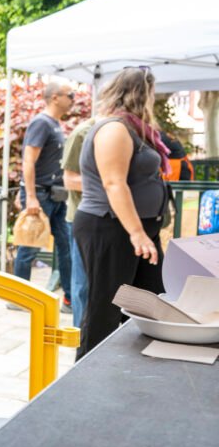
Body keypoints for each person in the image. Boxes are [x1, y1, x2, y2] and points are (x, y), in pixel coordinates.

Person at [73, 67, 168, 358]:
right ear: (142, 93)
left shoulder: (134, 129)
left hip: (134, 231)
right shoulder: (114, 128)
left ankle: (130, 366)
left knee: (149, 300)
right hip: (110, 227)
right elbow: (113, 183)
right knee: (105, 307)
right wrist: (137, 233)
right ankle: (86, 375)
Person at [12, 81, 75, 313]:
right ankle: (18, 298)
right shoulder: (41, 123)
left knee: (65, 246)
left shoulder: (56, 124)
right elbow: (28, 161)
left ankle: (69, 298)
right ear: (55, 97)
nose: (73, 99)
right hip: (40, 194)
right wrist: (30, 197)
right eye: (70, 95)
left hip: (56, 195)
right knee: (28, 246)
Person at [62, 117, 95, 328]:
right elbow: (69, 179)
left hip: (113, 221)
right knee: (82, 286)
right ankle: (80, 339)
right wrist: (111, 183)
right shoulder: (82, 133)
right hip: (82, 219)